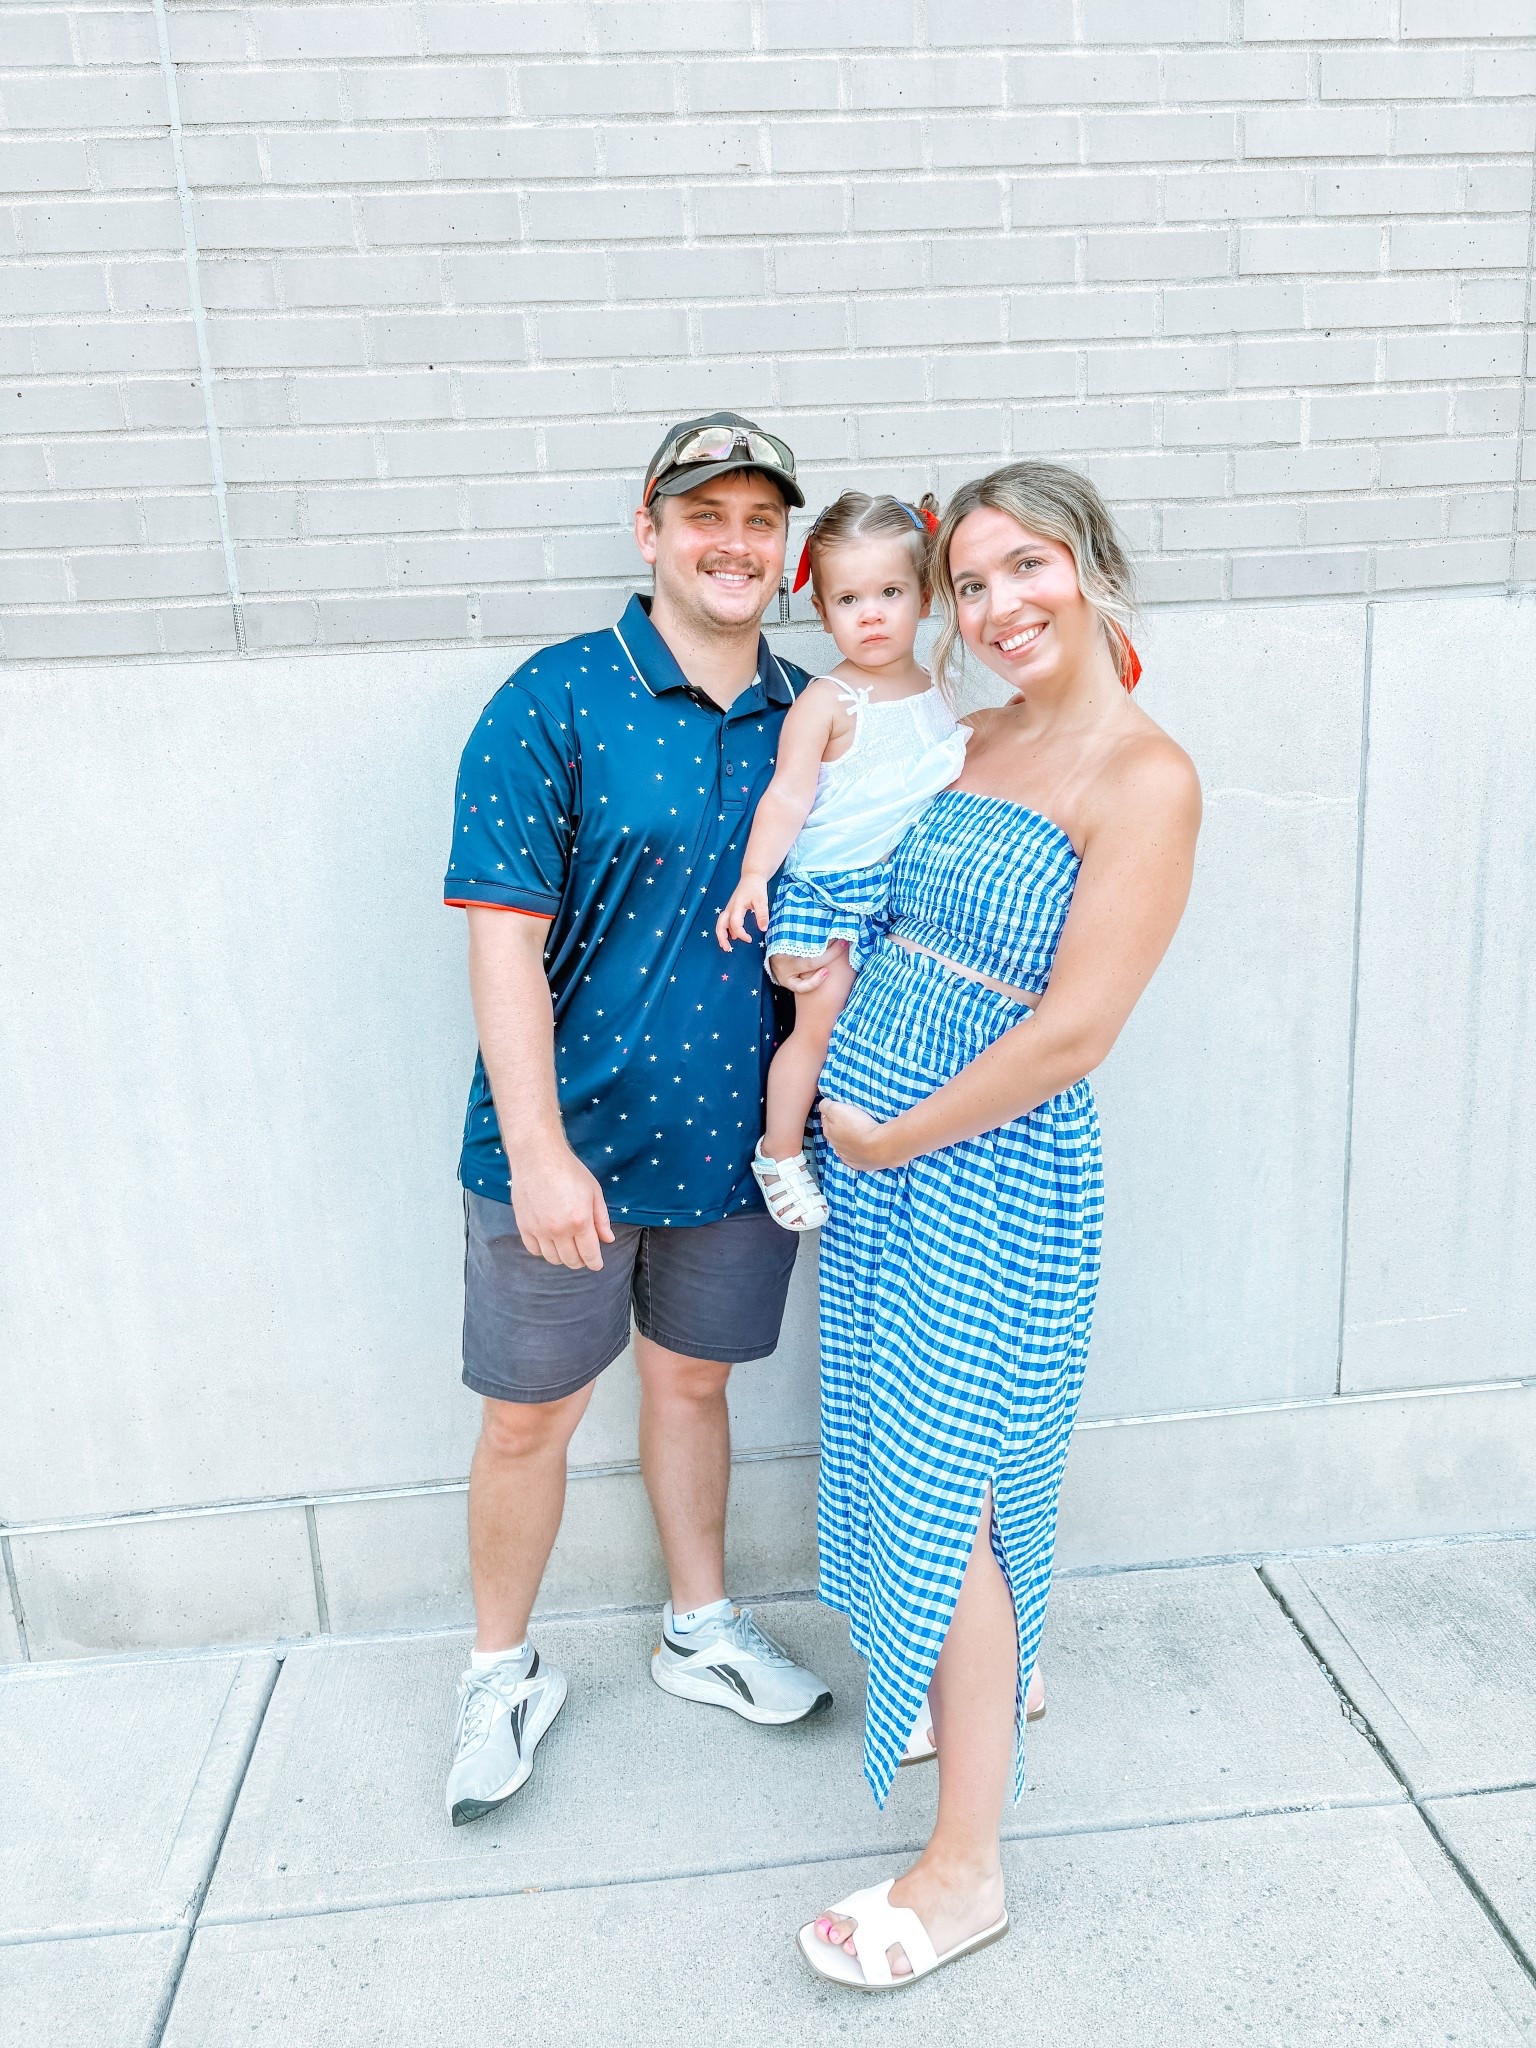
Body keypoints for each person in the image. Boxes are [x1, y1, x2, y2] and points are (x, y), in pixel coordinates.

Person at [784, 461, 1201, 1988]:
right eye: (971, 582)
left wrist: (890, 1129)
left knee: (948, 1478)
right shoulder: (977, 736)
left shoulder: (1143, 777)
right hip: (882, 1164)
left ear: (1091, 566)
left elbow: (1075, 1030)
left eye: (1026, 567)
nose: (997, 605)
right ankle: (996, 1678)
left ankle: (966, 1870)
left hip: (987, 1168)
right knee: (921, 1451)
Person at [439, 413, 834, 1830]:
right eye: (704, 515)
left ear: (783, 551)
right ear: (649, 533)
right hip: (569, 1151)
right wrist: (539, 1149)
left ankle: (700, 1627)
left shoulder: (811, 713)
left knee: (693, 1387)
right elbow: (501, 941)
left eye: (759, 521)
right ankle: (499, 1671)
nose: (735, 543)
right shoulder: (553, 700)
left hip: (740, 1149)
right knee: (531, 1419)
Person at [714, 491, 965, 1232]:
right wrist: (755, 876)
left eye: (890, 593)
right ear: (822, 612)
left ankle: (883, 1144)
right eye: (849, 599)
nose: (873, 614)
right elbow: (788, 797)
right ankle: (780, 1150)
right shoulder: (828, 700)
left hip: (903, 894)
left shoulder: (940, 690)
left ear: (924, 596)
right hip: (832, 890)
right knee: (818, 1024)